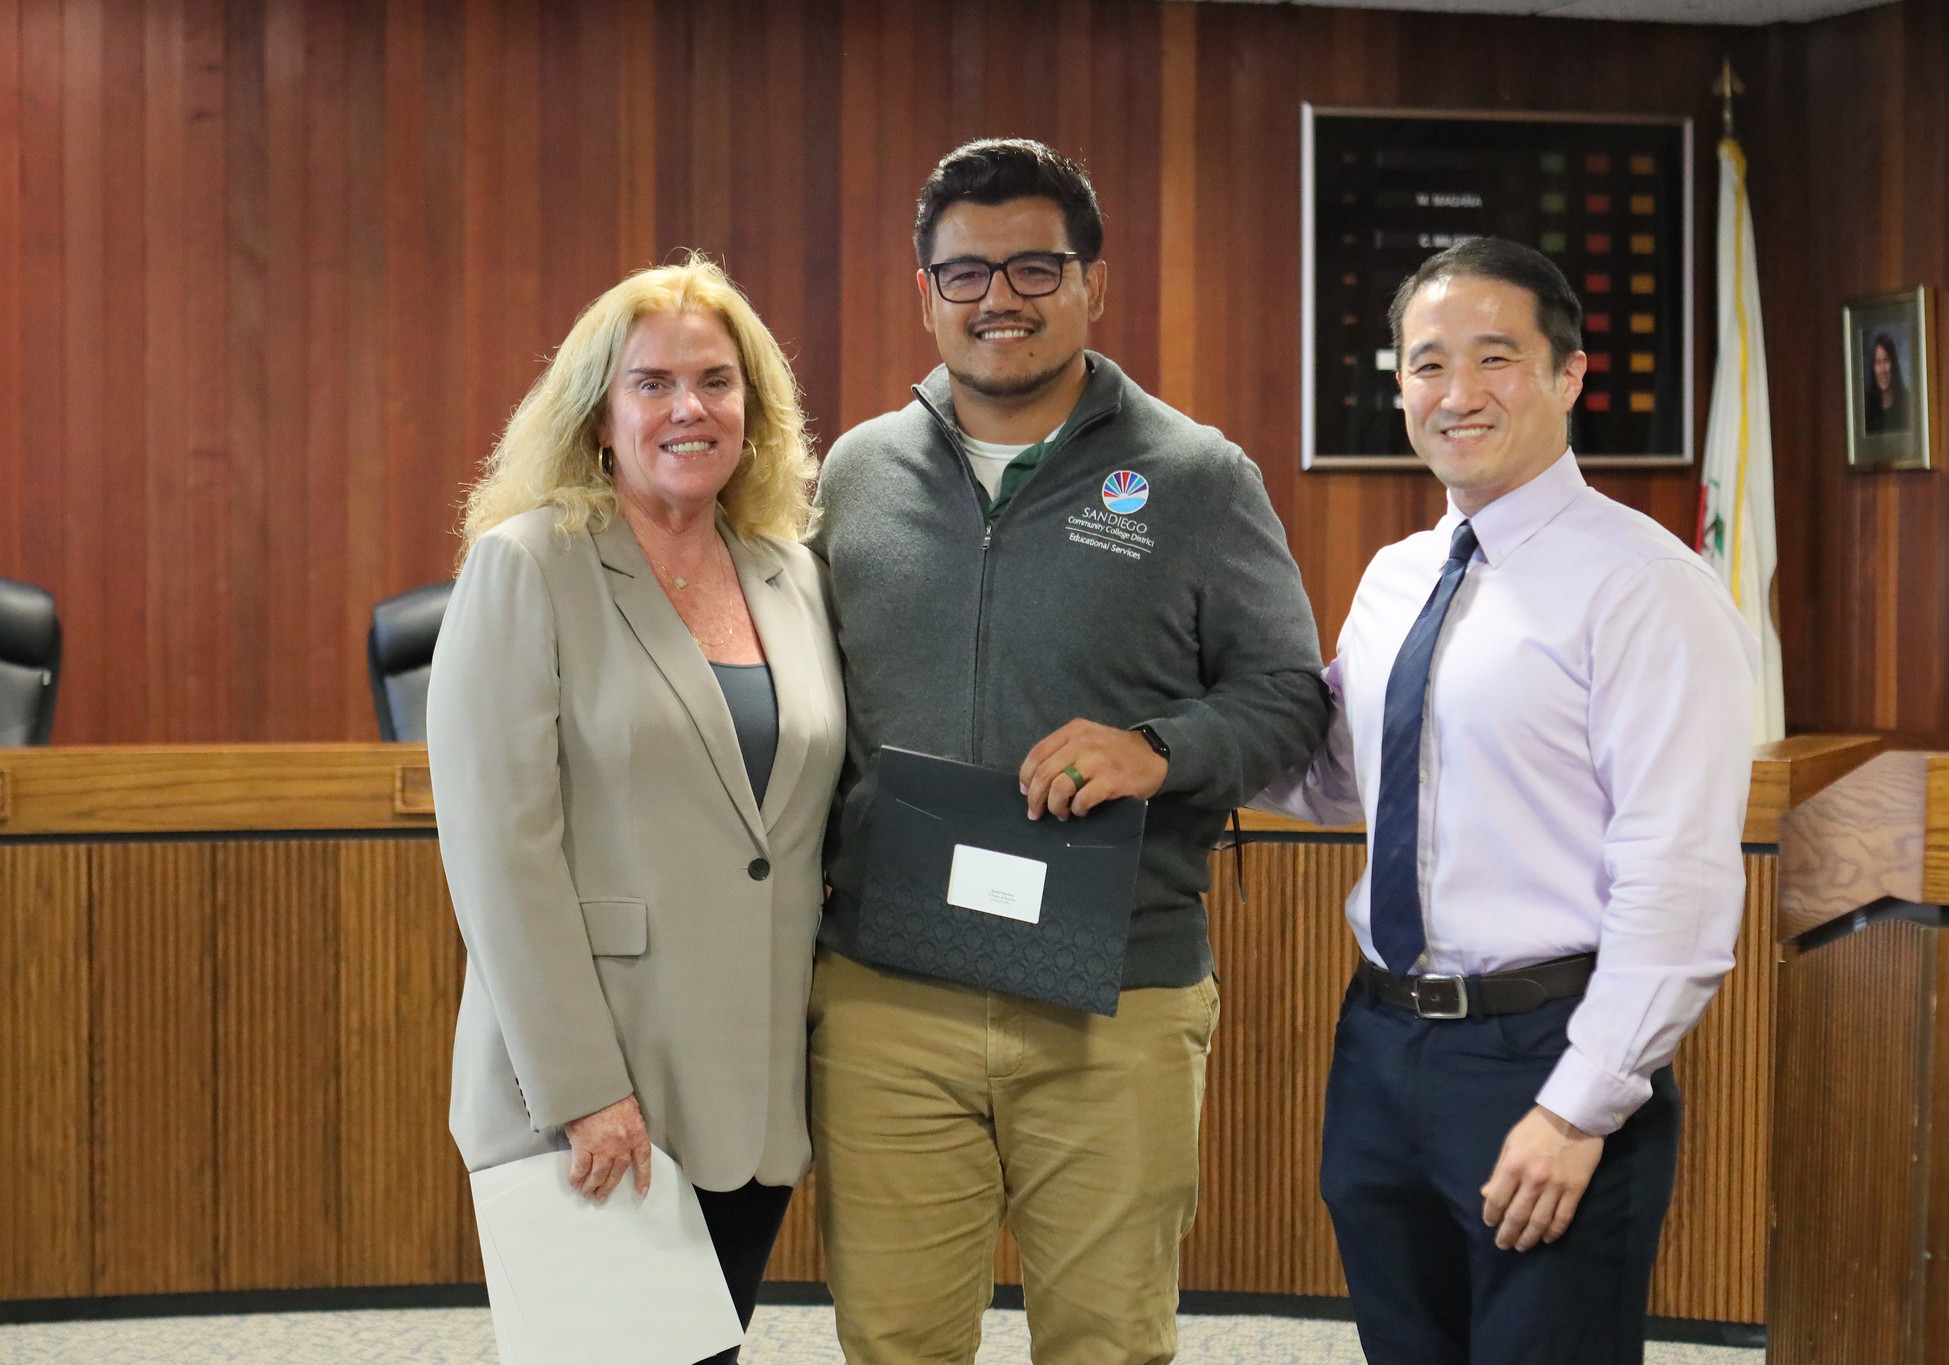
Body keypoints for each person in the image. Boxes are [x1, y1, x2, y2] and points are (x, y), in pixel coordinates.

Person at [808, 138, 1328, 1364]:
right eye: (966, 272)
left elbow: (1286, 699)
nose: (1000, 298)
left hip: (1114, 996)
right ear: (923, 295)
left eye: (1037, 266)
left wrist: (1162, 748)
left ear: (1097, 283)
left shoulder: (1195, 477)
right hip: (891, 995)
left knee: (1105, 1342)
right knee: (892, 1343)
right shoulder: (854, 477)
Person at [1258, 237, 1757, 1365]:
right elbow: (1347, 784)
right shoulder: (1396, 578)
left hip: (1545, 1046)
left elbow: (1673, 872)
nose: (1458, 393)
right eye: (1427, 364)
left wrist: (1579, 1106)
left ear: (1568, 375)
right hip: (1380, 1047)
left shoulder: (1644, 587)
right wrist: (1175, 733)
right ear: (1397, 387)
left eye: (1496, 358)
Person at [427, 257, 845, 1364]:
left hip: (751, 1082)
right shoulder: (529, 566)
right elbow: (499, 852)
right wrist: (582, 1089)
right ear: (599, 414)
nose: (686, 409)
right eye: (651, 383)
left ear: (753, 410)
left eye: (715, 380)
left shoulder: (789, 573)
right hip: (601, 1081)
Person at [1864, 331, 1910, 433]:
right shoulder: (1866, 408)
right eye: (1878, 363)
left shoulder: (1907, 402)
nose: (1882, 370)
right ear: (1873, 368)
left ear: (1893, 364)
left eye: (1886, 361)